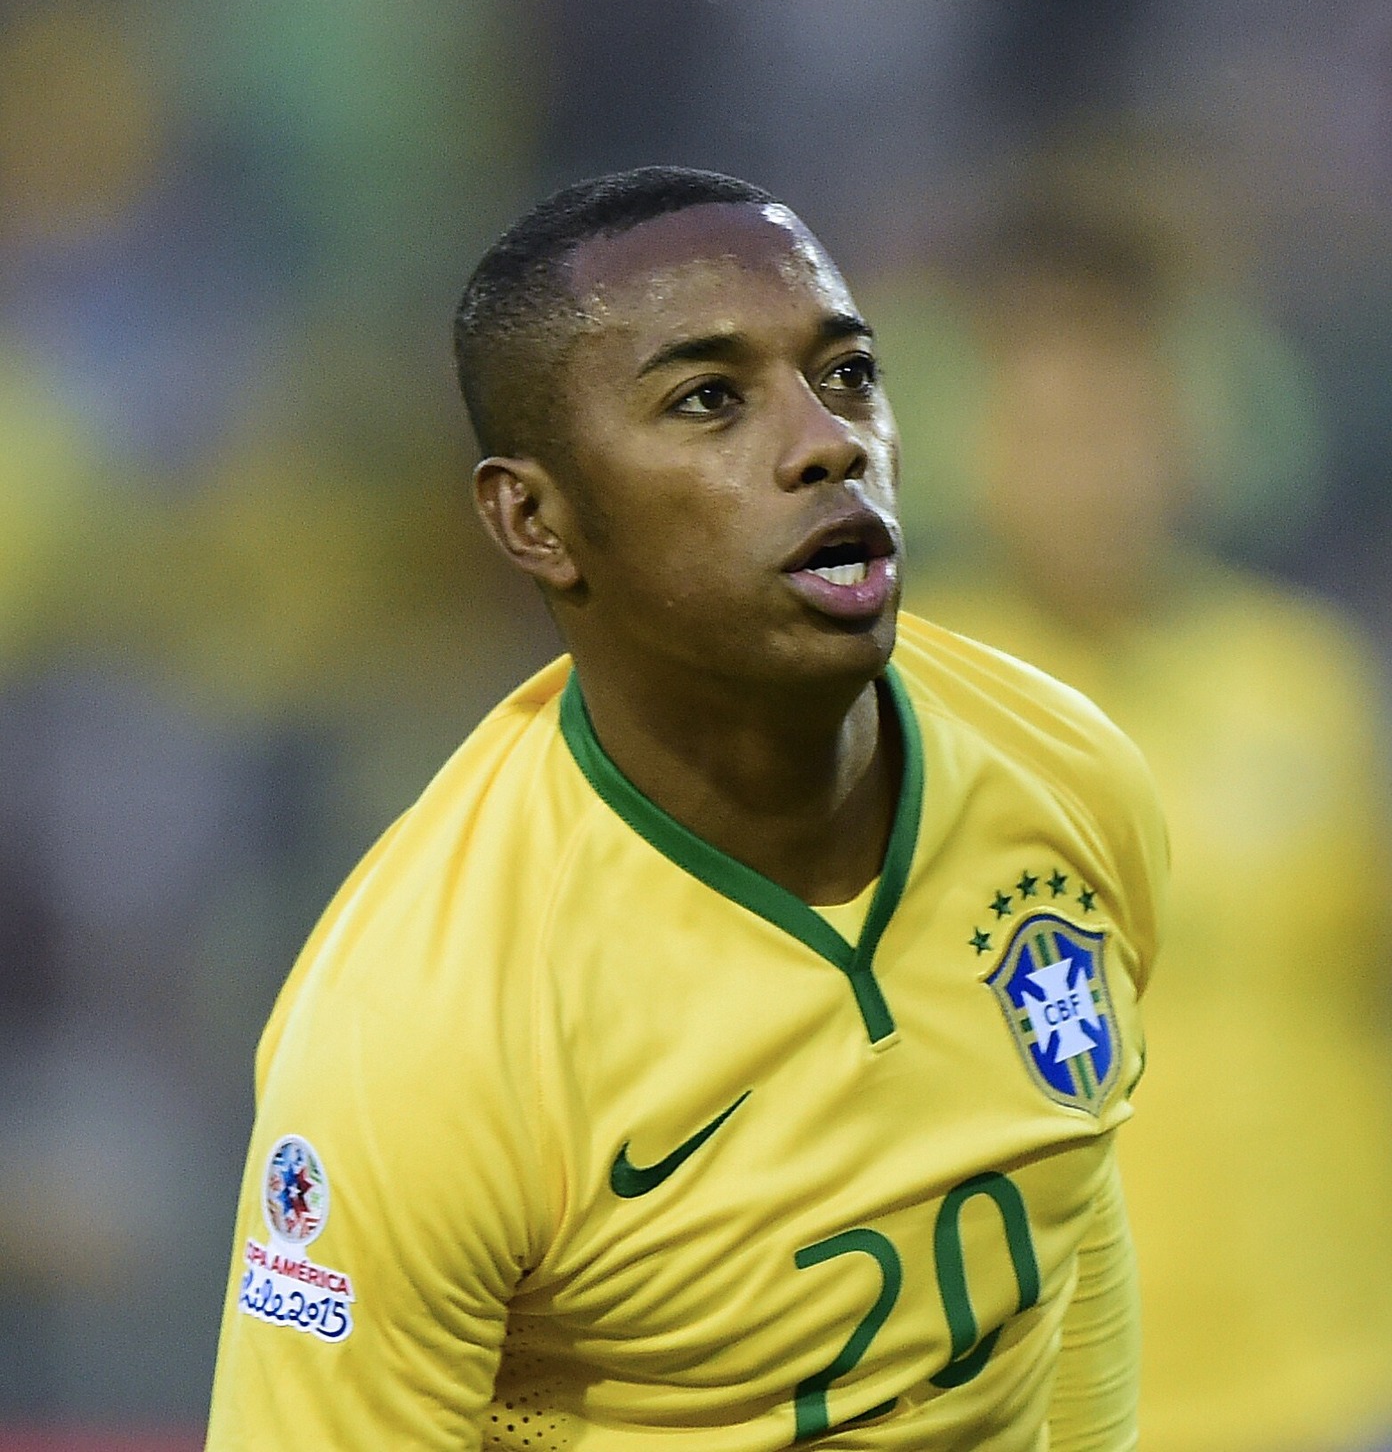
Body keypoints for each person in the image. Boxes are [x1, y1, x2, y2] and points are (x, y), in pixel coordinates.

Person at [203, 168, 1167, 1448]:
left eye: (849, 373)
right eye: (709, 399)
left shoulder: (1066, 776)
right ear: (536, 519)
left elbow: (1069, 1218)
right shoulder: (422, 1031)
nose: (829, 440)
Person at [916, 190, 1392, 1452]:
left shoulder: (1302, 679)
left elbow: (1387, 995)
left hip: (1366, 1374)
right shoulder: (908, 713)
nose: (1092, 468)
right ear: (979, 449)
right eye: (1051, 428)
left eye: (1123, 419)